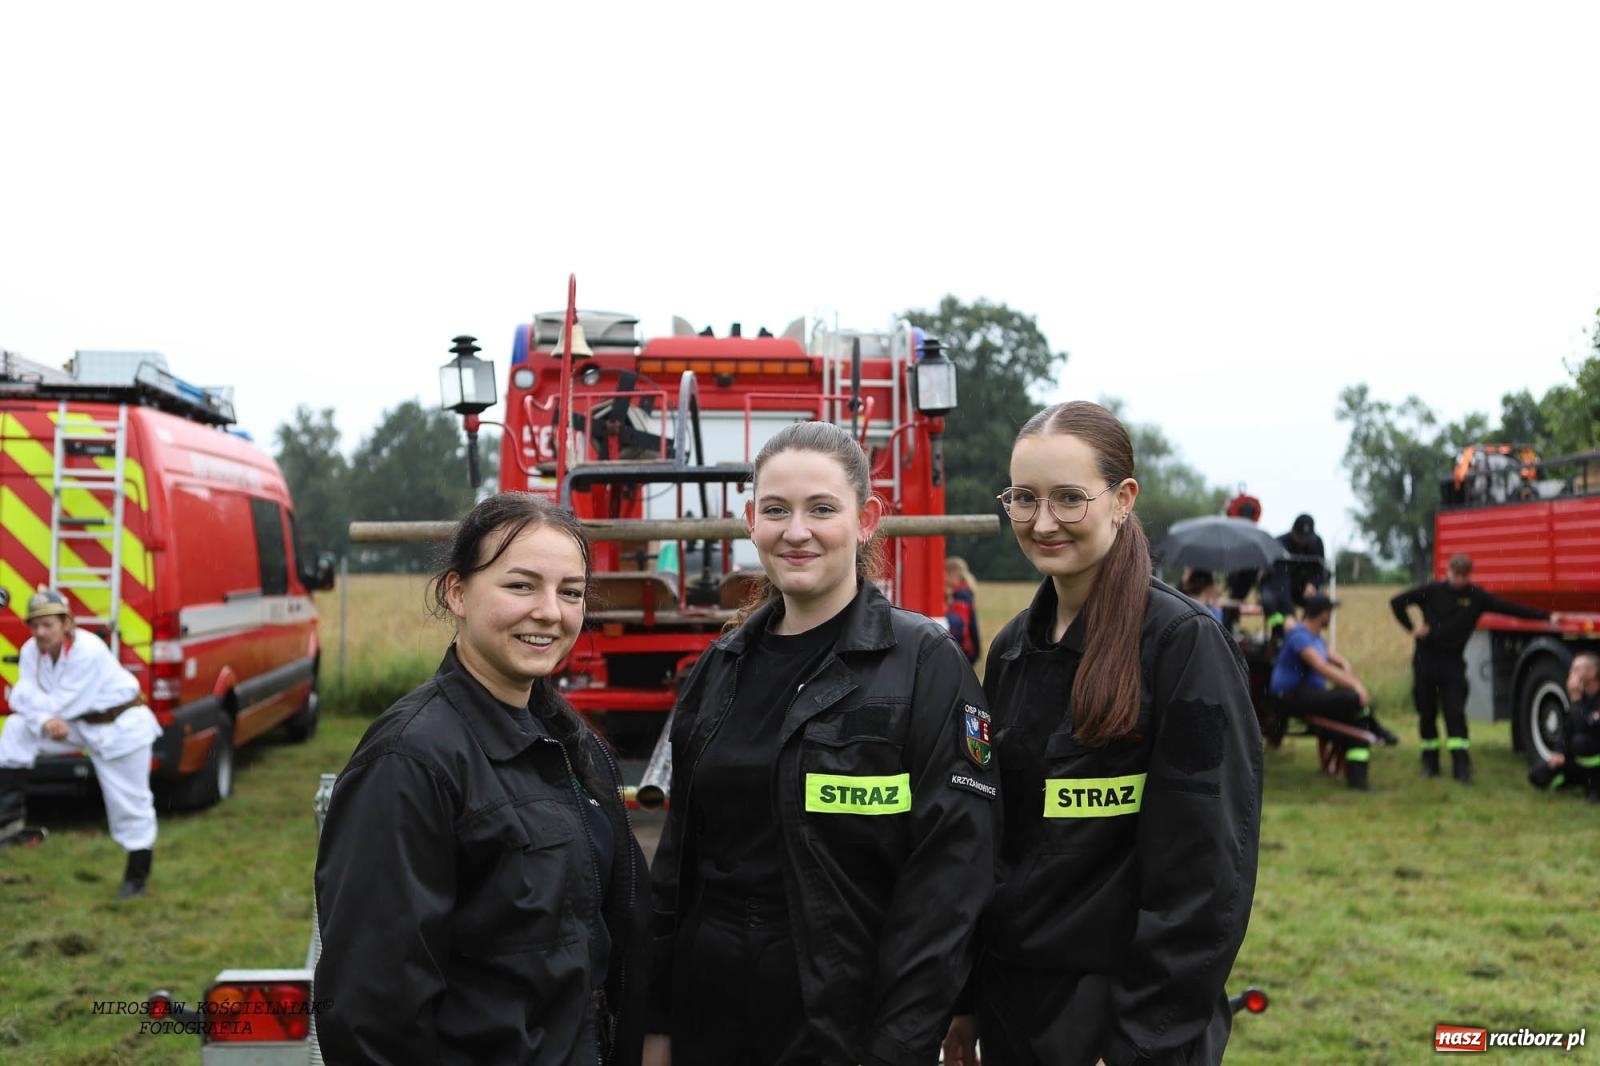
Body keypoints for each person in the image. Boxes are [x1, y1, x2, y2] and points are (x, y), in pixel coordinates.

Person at [644, 421, 1000, 1066]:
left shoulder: (924, 665)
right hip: (708, 1015)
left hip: (846, 1029)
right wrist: (657, 1023)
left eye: (822, 509)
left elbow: (949, 884)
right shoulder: (719, 669)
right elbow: (676, 867)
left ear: (866, 520)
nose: (797, 531)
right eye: (777, 510)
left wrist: (897, 1047)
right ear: (751, 522)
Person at [945, 401, 1261, 1066]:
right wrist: (967, 998)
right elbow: (990, 846)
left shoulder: (1182, 646)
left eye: (1069, 498)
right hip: (1014, 1012)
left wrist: (1139, 1042)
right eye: (1023, 498)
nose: (1042, 521)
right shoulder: (1010, 650)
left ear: (1123, 500)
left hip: (1119, 1022)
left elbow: (1206, 878)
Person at [314, 493, 649, 1066]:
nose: (550, 612)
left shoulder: (571, 741)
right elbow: (371, 1012)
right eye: (521, 586)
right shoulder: (409, 761)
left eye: (570, 592)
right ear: (457, 593)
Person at [0, 587, 160, 898]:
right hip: (76, 724)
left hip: (120, 728)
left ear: (66, 624)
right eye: (35, 625)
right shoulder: (31, 650)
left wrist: (44, 713)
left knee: (130, 804)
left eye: (48, 624)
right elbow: (21, 695)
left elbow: (59, 702)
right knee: (16, 729)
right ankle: (8, 822)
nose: (40, 632)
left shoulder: (89, 650)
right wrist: (44, 720)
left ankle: (136, 876)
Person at [1390, 553, 1560, 783]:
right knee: (1427, 713)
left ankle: (1461, 766)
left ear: (1470, 575)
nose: (1459, 580)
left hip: (1453, 662)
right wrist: (1412, 628)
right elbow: (1397, 602)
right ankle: (1430, 763)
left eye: (1464, 576)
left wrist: (1546, 616)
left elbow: (1508, 608)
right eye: (1455, 575)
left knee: (1455, 712)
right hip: (1426, 660)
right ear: (1448, 571)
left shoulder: (1476, 597)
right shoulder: (1432, 591)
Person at [1267, 594, 1390, 789]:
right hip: (1291, 697)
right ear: (1322, 614)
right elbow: (1321, 666)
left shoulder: (1314, 637)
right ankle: (1374, 730)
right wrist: (1356, 685)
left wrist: (1345, 665)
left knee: (1357, 718)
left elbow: (1332, 657)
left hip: (1307, 693)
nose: (1331, 617)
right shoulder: (1299, 636)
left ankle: (1358, 778)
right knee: (1353, 699)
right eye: (1330, 613)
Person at [1527, 653, 1600, 802]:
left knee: (1580, 742)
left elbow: (1586, 727)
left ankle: (1594, 788)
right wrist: (1559, 752)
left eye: (1577, 669)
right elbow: (1567, 729)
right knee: (1537, 774)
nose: (1571, 673)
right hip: (1577, 758)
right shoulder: (1582, 699)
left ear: (1592, 673)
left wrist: (1575, 699)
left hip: (1594, 753)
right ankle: (1574, 780)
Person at [1275, 513, 1328, 609]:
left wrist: (1313, 584)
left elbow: (1320, 570)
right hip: (1282, 586)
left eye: (1307, 538)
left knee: (1321, 601)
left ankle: (1306, 620)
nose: (1303, 541)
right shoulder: (1280, 543)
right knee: (1273, 601)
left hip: (1305, 587)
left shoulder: (1317, 543)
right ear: (1292, 530)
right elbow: (1278, 574)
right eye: (1300, 537)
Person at [946, 555, 982, 662]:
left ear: (953, 574)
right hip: (967, 648)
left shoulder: (961, 595)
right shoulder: (963, 592)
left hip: (964, 649)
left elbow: (959, 626)